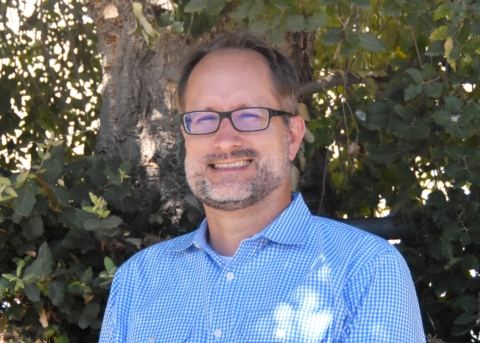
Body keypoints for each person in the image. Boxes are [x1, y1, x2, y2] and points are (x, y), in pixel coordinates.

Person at [99, 32, 425, 343]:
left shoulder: (366, 271)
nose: (225, 140)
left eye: (250, 115)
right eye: (203, 119)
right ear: (186, 136)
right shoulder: (138, 282)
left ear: (292, 136)